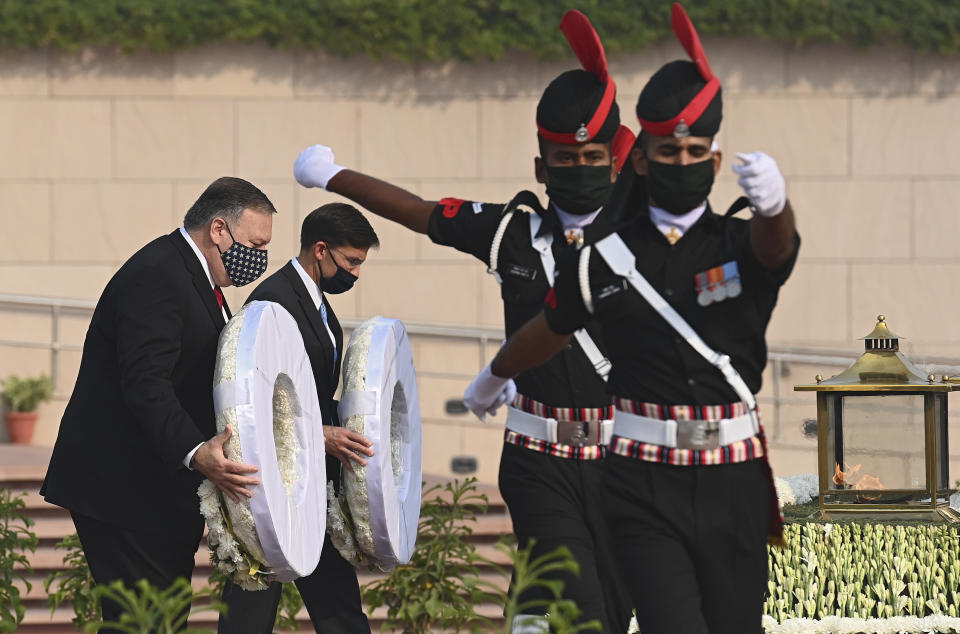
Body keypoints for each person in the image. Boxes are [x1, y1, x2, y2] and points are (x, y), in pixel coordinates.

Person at [291, 12, 633, 632]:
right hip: (538, 452)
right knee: (579, 602)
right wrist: (330, 174)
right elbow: (420, 213)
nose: (578, 170)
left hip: (619, 454)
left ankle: (528, 615)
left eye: (594, 157)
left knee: (610, 612)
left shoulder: (639, 240)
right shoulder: (511, 232)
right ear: (540, 167)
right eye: (564, 159)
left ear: (614, 163)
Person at [464, 4, 800, 633]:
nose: (681, 161)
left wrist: (777, 207)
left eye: (695, 150)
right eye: (665, 151)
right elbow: (551, 327)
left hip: (728, 475)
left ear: (716, 161)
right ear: (640, 161)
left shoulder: (736, 243)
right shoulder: (609, 255)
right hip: (640, 475)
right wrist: (495, 371)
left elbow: (776, 251)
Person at [41, 177, 276, 628]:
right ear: (219, 230)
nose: (260, 258)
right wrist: (195, 451)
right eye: (256, 243)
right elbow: (146, 384)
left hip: (155, 494)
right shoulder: (159, 275)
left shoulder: (196, 279)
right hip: (124, 491)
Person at [218, 202, 379, 633]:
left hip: (314, 484)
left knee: (340, 610)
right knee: (252, 608)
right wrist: (318, 434)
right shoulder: (272, 302)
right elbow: (254, 400)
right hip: (275, 485)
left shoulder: (315, 303)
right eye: (351, 262)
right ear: (320, 250)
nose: (356, 274)